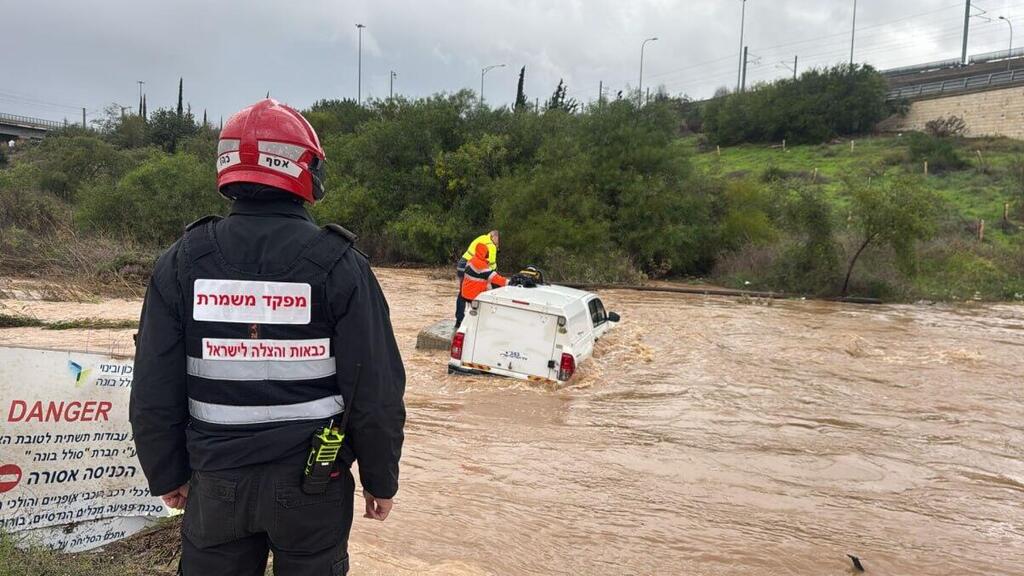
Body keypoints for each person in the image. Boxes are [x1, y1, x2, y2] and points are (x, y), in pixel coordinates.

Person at [129, 99, 405, 576]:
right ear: (305, 168)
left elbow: (154, 382)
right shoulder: (341, 265)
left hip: (215, 480)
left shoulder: (181, 261)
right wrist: (381, 479)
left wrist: (166, 471)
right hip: (314, 485)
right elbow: (375, 387)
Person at [454, 230, 498, 329]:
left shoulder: (482, 237)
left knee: (463, 293)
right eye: (497, 240)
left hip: (462, 264)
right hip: (471, 266)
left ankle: (459, 320)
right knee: (479, 293)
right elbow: (491, 265)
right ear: (494, 237)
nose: (497, 243)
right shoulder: (491, 245)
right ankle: (476, 321)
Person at [456, 243, 508, 327]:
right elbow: (496, 278)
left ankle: (460, 322)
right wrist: (510, 283)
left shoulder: (471, 260)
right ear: (483, 252)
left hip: (466, 293)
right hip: (474, 295)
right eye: (486, 251)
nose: (488, 253)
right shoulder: (480, 265)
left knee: (489, 286)